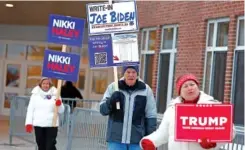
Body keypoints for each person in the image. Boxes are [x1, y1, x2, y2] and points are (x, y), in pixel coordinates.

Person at [140, 73, 236, 150]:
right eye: (185, 86)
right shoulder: (172, 110)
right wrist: (150, 141)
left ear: (198, 87)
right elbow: (163, 133)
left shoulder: (212, 106)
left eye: (192, 84)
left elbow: (230, 131)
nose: (190, 88)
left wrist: (214, 141)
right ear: (180, 92)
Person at [99, 65, 157, 150]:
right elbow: (102, 110)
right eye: (128, 72)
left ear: (137, 74)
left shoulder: (145, 90)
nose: (131, 75)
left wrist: (151, 139)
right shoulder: (114, 87)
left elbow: (151, 115)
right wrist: (111, 101)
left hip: (137, 140)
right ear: (124, 74)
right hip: (116, 139)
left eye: (134, 72)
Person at [25, 77, 65, 150]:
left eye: (47, 83)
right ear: (40, 84)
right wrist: (28, 123)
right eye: (44, 83)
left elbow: (61, 111)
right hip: (39, 124)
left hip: (51, 124)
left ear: (50, 84)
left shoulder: (56, 94)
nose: (45, 85)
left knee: (50, 146)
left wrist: (59, 104)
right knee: (41, 145)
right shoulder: (35, 95)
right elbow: (30, 110)